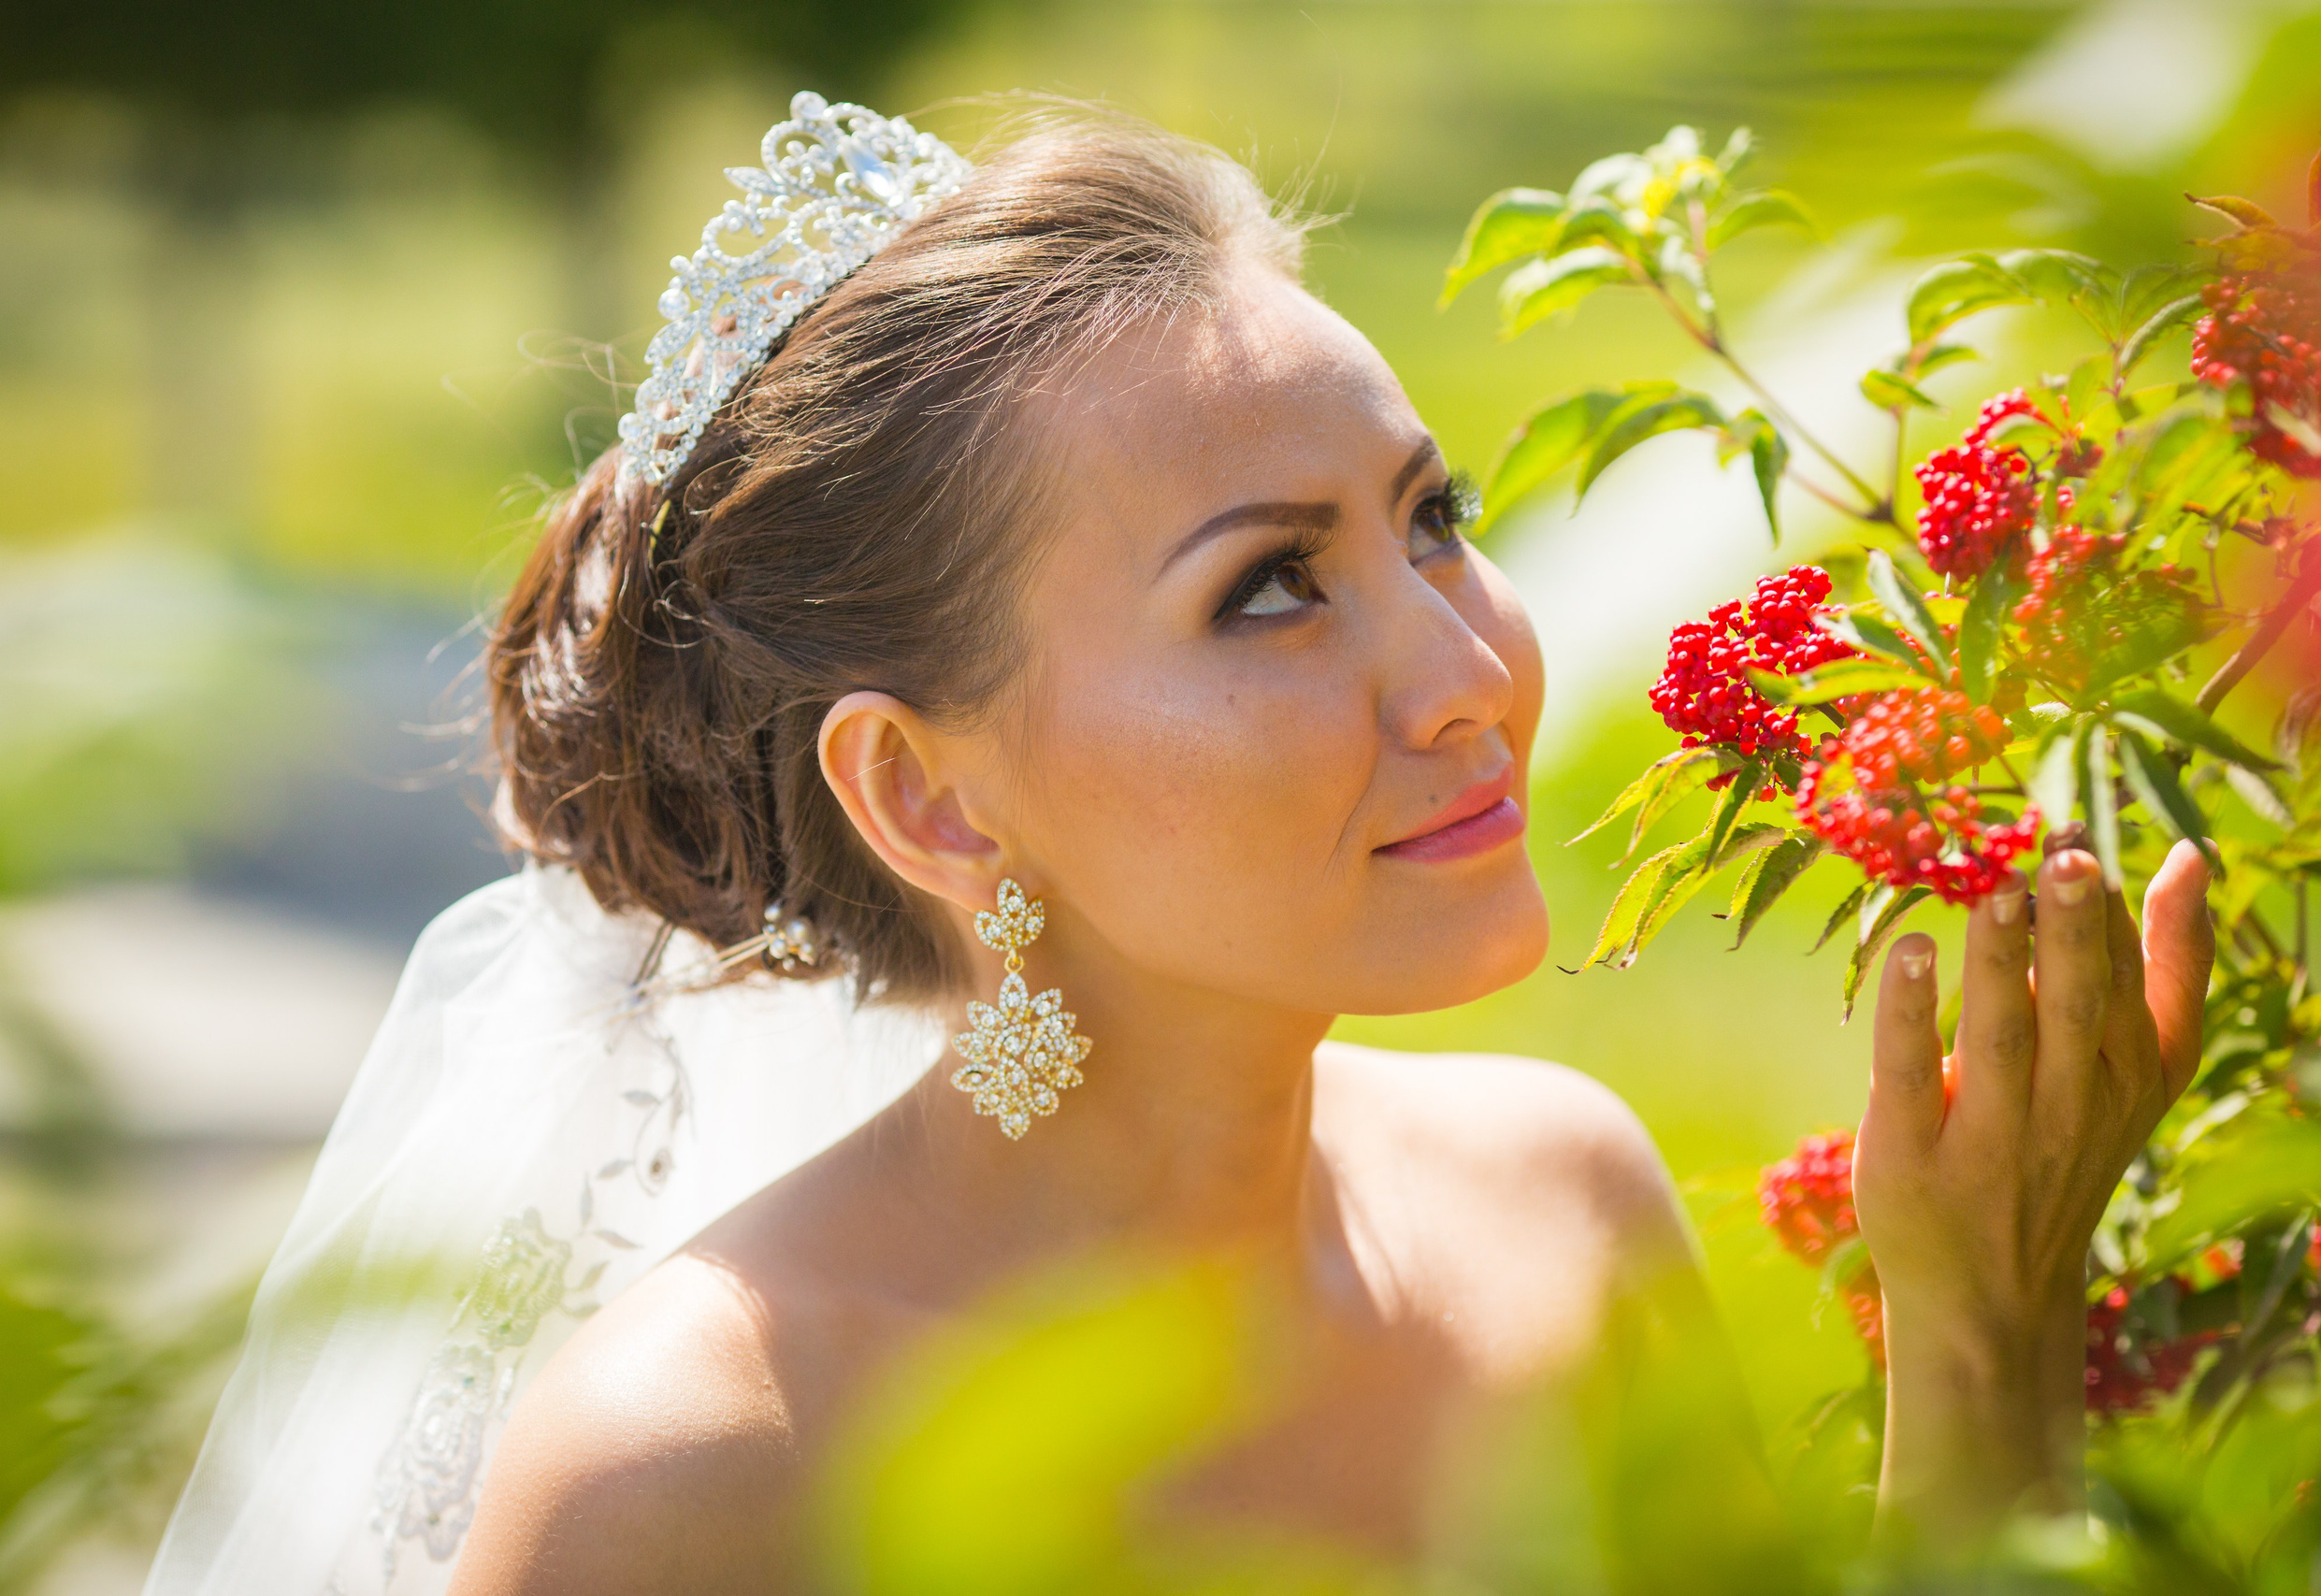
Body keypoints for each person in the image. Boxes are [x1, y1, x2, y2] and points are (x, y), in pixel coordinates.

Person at [147, 95, 2214, 1596]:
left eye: (1430, 518)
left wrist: (1981, 1330)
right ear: (932, 797)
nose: (1470, 670)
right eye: (1266, 590)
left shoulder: (1557, 1200)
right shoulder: (709, 1465)